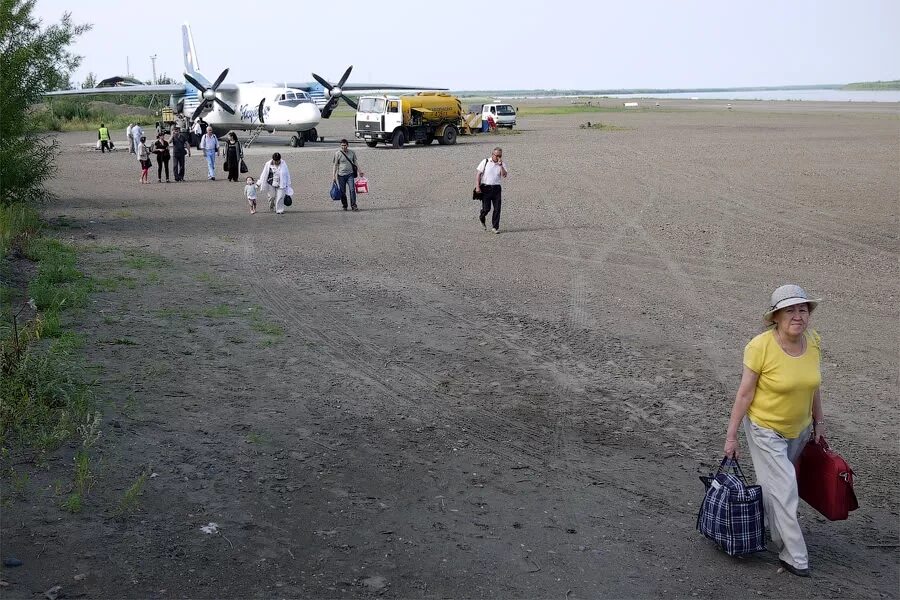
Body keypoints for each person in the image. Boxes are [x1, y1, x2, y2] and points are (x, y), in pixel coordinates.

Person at [723, 284, 825, 578]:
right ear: (775, 317)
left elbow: (814, 385)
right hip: (764, 428)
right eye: (790, 310)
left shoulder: (813, 341)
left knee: (774, 486)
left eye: (803, 309)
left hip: (800, 429)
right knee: (785, 489)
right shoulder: (760, 346)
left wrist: (819, 421)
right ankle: (794, 556)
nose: (798, 316)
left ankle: (765, 529)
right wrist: (731, 437)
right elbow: (744, 394)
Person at [475, 146, 508, 234]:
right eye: (497, 155)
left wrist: (500, 166)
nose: (498, 157)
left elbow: (504, 175)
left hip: (497, 188)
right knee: (487, 209)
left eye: (500, 156)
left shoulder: (502, 164)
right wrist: (477, 187)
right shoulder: (485, 161)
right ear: (492, 154)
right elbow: (478, 174)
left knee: (497, 208)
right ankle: (482, 216)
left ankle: (495, 227)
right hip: (486, 188)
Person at [332, 139, 364, 211]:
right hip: (341, 175)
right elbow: (335, 165)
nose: (344, 147)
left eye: (345, 145)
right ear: (340, 146)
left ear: (347, 145)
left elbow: (355, 162)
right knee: (342, 191)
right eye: (342, 145)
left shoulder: (352, 152)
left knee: (352, 190)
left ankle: (354, 205)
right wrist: (333, 175)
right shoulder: (337, 154)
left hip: (350, 174)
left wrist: (360, 171)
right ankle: (345, 205)